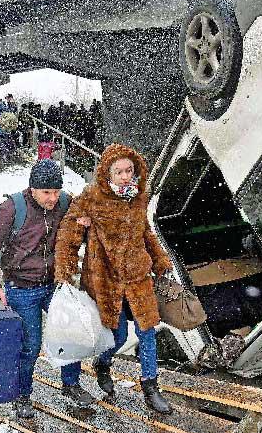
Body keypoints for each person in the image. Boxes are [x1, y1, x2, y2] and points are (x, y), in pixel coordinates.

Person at [55, 144, 175, 414]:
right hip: (105, 280)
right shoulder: (92, 198)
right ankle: (103, 363)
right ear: (107, 173)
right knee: (117, 335)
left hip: (137, 277)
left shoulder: (138, 197)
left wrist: (159, 259)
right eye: (118, 171)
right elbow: (67, 236)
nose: (124, 176)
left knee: (147, 331)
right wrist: (65, 270)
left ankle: (150, 386)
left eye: (129, 171)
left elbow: (145, 233)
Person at [0, 160, 96, 418]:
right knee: (30, 346)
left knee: (70, 333)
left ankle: (71, 384)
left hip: (55, 284)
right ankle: (22, 393)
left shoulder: (64, 203)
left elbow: (77, 232)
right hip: (21, 288)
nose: (53, 198)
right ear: (33, 189)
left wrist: (86, 224)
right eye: (46, 193)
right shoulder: (11, 209)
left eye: (56, 192)